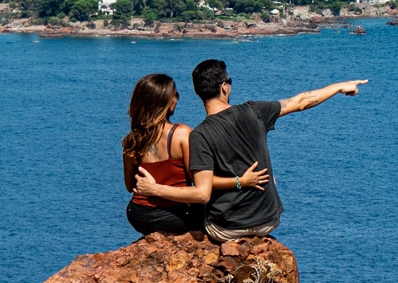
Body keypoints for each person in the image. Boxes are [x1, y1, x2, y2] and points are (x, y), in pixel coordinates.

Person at [134, 59, 367, 243]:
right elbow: (302, 101)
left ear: (199, 93)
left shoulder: (200, 135)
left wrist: (154, 189)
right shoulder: (255, 111)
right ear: (224, 87)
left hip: (224, 230)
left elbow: (202, 191)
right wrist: (338, 86)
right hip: (268, 222)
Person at [121, 73, 269, 235]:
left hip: (138, 215)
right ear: (164, 101)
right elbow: (201, 187)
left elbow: (130, 186)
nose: (177, 99)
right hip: (174, 216)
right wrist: (240, 181)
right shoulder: (181, 134)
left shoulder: (131, 141)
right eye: (175, 94)